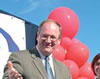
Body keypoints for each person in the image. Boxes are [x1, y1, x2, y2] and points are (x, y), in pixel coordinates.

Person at [2, 19, 72, 79]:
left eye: (52, 37)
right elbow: (9, 74)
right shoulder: (20, 57)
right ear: (38, 36)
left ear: (59, 41)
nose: (48, 41)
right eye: (45, 36)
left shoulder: (65, 70)